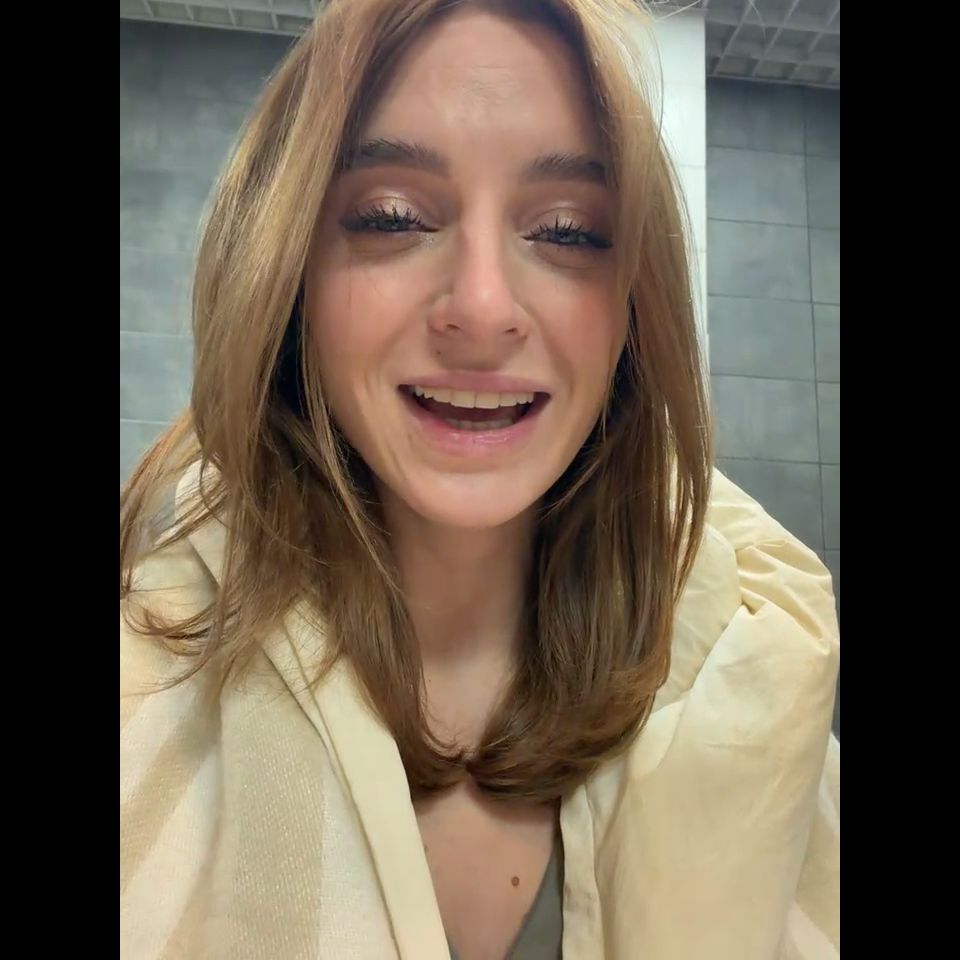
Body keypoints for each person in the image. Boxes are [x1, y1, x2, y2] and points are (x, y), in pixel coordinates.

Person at [119, 1, 840, 957]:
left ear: (633, 306)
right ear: (288, 275)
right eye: (391, 217)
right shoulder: (142, 690)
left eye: (569, 232)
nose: (485, 307)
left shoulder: (761, 679)